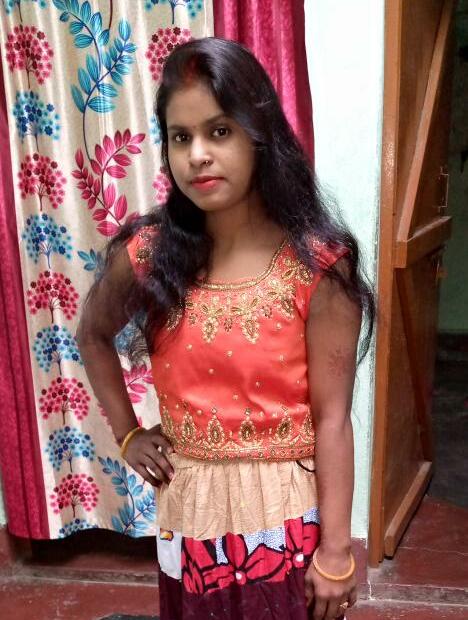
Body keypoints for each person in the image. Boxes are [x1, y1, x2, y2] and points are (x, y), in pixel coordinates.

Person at [77, 37, 374, 620]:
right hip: (190, 516)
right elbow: (92, 335)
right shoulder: (151, 254)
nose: (198, 155)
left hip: (285, 524)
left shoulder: (317, 265)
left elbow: (333, 418)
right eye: (180, 137)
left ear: (260, 136)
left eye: (219, 131)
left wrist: (337, 552)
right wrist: (129, 435)